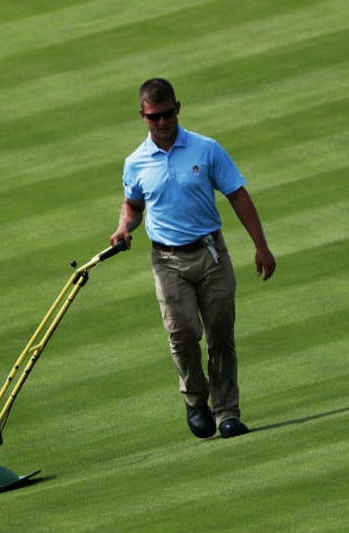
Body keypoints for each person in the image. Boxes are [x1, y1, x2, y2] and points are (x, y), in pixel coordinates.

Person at [109, 78, 276, 439]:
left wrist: (261, 246)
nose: (163, 122)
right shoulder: (136, 163)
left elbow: (238, 195)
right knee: (182, 334)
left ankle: (227, 412)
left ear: (178, 108)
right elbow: (134, 205)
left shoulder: (206, 149)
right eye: (154, 117)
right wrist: (124, 227)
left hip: (211, 253)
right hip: (167, 260)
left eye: (168, 114)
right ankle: (195, 401)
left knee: (220, 334)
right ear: (142, 116)